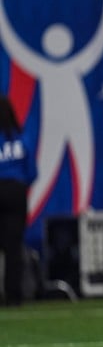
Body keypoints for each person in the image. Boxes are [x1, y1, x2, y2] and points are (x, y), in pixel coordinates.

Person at [0, 95, 37, 307]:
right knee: (13, 247)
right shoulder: (21, 138)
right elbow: (31, 172)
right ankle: (13, 296)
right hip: (16, 193)